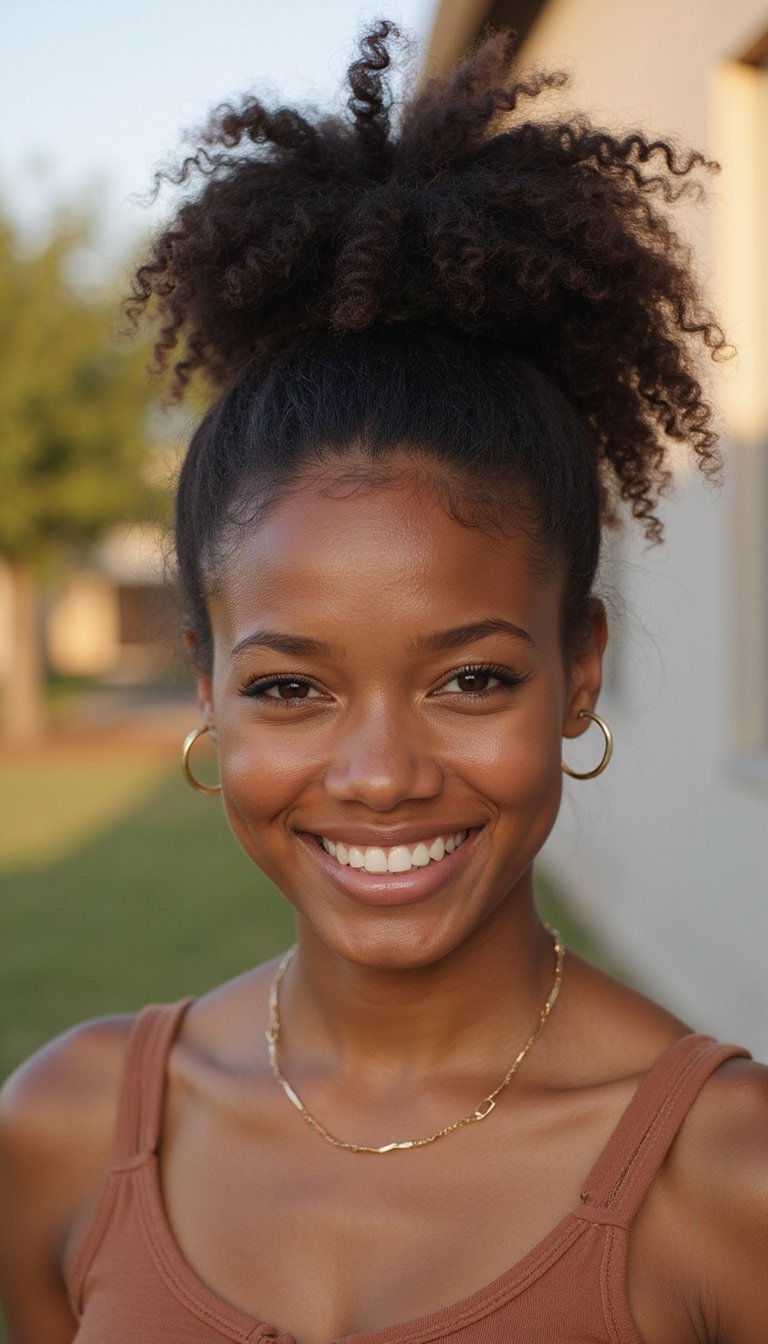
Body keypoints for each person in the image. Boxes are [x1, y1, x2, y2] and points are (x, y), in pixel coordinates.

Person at [1, 20, 766, 1344]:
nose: (380, 774)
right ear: (206, 685)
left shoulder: (726, 1182)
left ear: (579, 673)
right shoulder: (64, 1132)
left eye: (470, 678)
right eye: (291, 689)